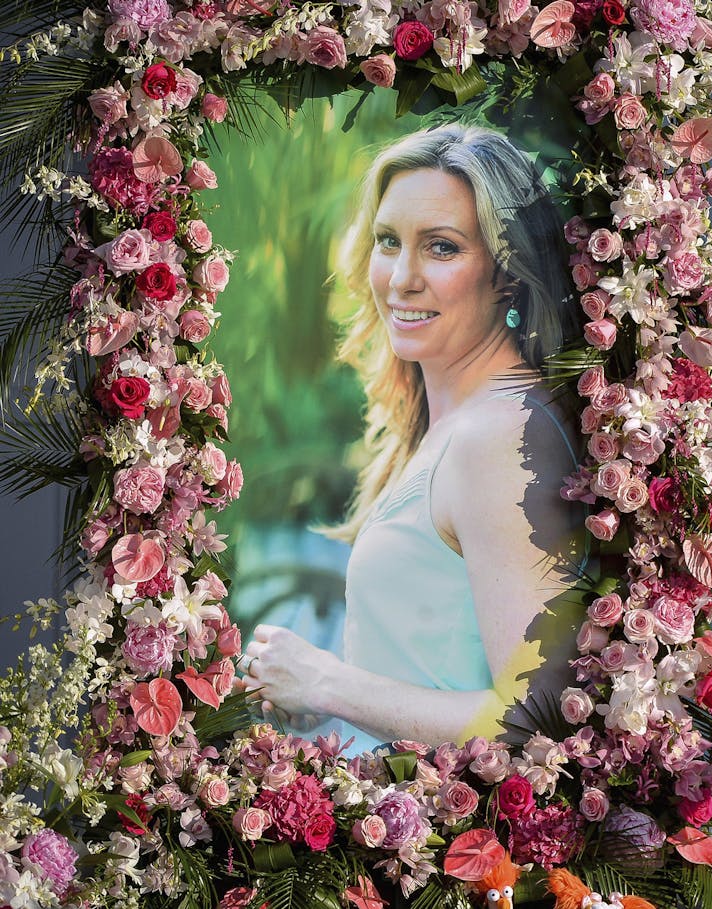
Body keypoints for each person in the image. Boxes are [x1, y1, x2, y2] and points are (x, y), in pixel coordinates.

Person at [239, 124, 585, 753]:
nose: (402, 277)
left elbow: (534, 721)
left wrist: (327, 684)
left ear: (506, 274)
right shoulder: (453, 425)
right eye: (388, 241)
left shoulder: (498, 437)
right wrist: (323, 698)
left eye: (442, 248)